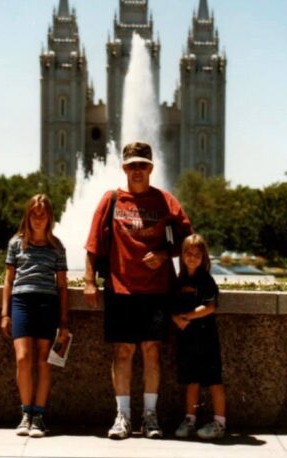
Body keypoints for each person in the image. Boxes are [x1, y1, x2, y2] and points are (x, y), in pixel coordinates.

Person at [84, 141, 192, 440]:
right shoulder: (113, 200)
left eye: (142, 165)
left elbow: (188, 241)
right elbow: (93, 245)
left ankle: (150, 416)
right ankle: (123, 416)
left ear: (151, 168)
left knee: (151, 352)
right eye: (132, 165)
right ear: (124, 168)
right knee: (122, 352)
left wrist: (164, 255)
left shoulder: (165, 201)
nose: (137, 170)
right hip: (120, 290)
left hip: (156, 292)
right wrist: (90, 281)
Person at [1, 194, 69, 437]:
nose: (38, 219)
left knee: (43, 359)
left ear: (49, 217)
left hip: (47, 304)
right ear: (27, 216)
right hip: (21, 302)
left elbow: (62, 286)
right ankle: (25, 413)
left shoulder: (57, 247)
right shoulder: (16, 243)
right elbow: (8, 279)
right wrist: (4, 313)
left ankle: (38, 416)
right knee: (23, 358)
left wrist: (64, 322)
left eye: (43, 214)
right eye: (34, 214)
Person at [172, 234, 226, 440]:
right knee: (191, 380)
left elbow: (210, 306)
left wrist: (189, 316)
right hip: (187, 339)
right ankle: (190, 419)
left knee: (214, 380)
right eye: (188, 253)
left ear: (204, 257)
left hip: (206, 337)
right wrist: (176, 318)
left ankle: (220, 422)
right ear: (182, 256)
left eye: (197, 254)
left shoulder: (206, 279)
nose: (192, 257)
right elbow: (172, 305)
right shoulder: (180, 280)